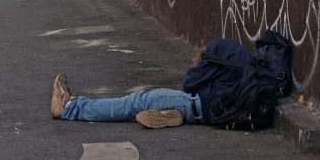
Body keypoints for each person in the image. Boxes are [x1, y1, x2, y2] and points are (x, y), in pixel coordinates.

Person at [49, 39, 254, 128]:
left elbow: (190, 85)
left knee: (136, 101)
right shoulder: (249, 66)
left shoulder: (218, 48)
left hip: (196, 105)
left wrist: (199, 63)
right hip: (211, 113)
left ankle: (70, 107)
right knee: (149, 102)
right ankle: (173, 115)